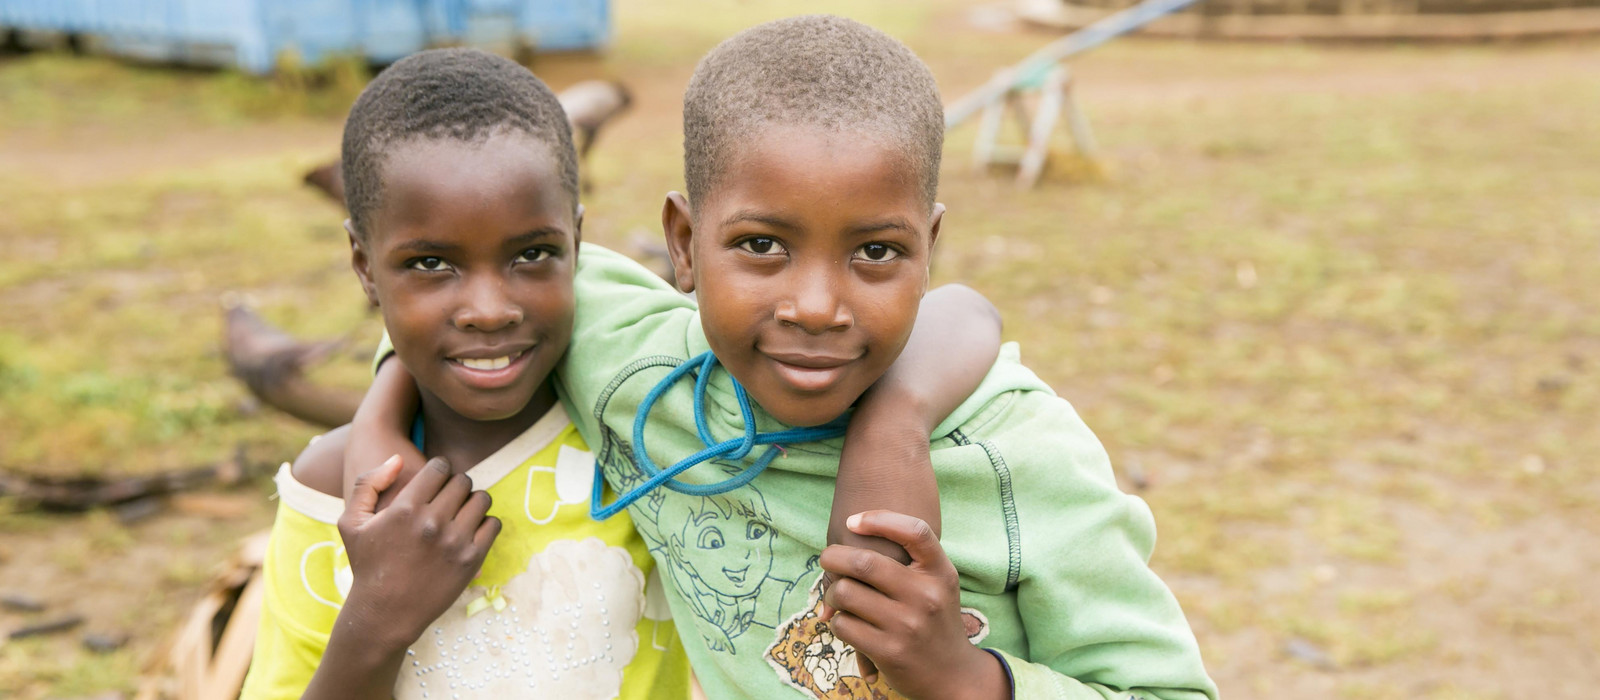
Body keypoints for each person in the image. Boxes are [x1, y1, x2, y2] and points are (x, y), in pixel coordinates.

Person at [355, 16, 1218, 700]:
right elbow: (483, 301)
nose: (814, 306)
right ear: (683, 246)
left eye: (876, 253)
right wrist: (380, 419)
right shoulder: (631, 367)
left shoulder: (1018, 458)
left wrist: (963, 681)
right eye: (763, 245)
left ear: (931, 248)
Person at [243, 46, 1003, 700]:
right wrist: (376, 617)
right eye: (430, 264)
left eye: (531, 255)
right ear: (362, 266)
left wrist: (887, 430)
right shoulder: (337, 490)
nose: (486, 308)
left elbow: (960, 312)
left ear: (577, 242)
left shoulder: (646, 430)